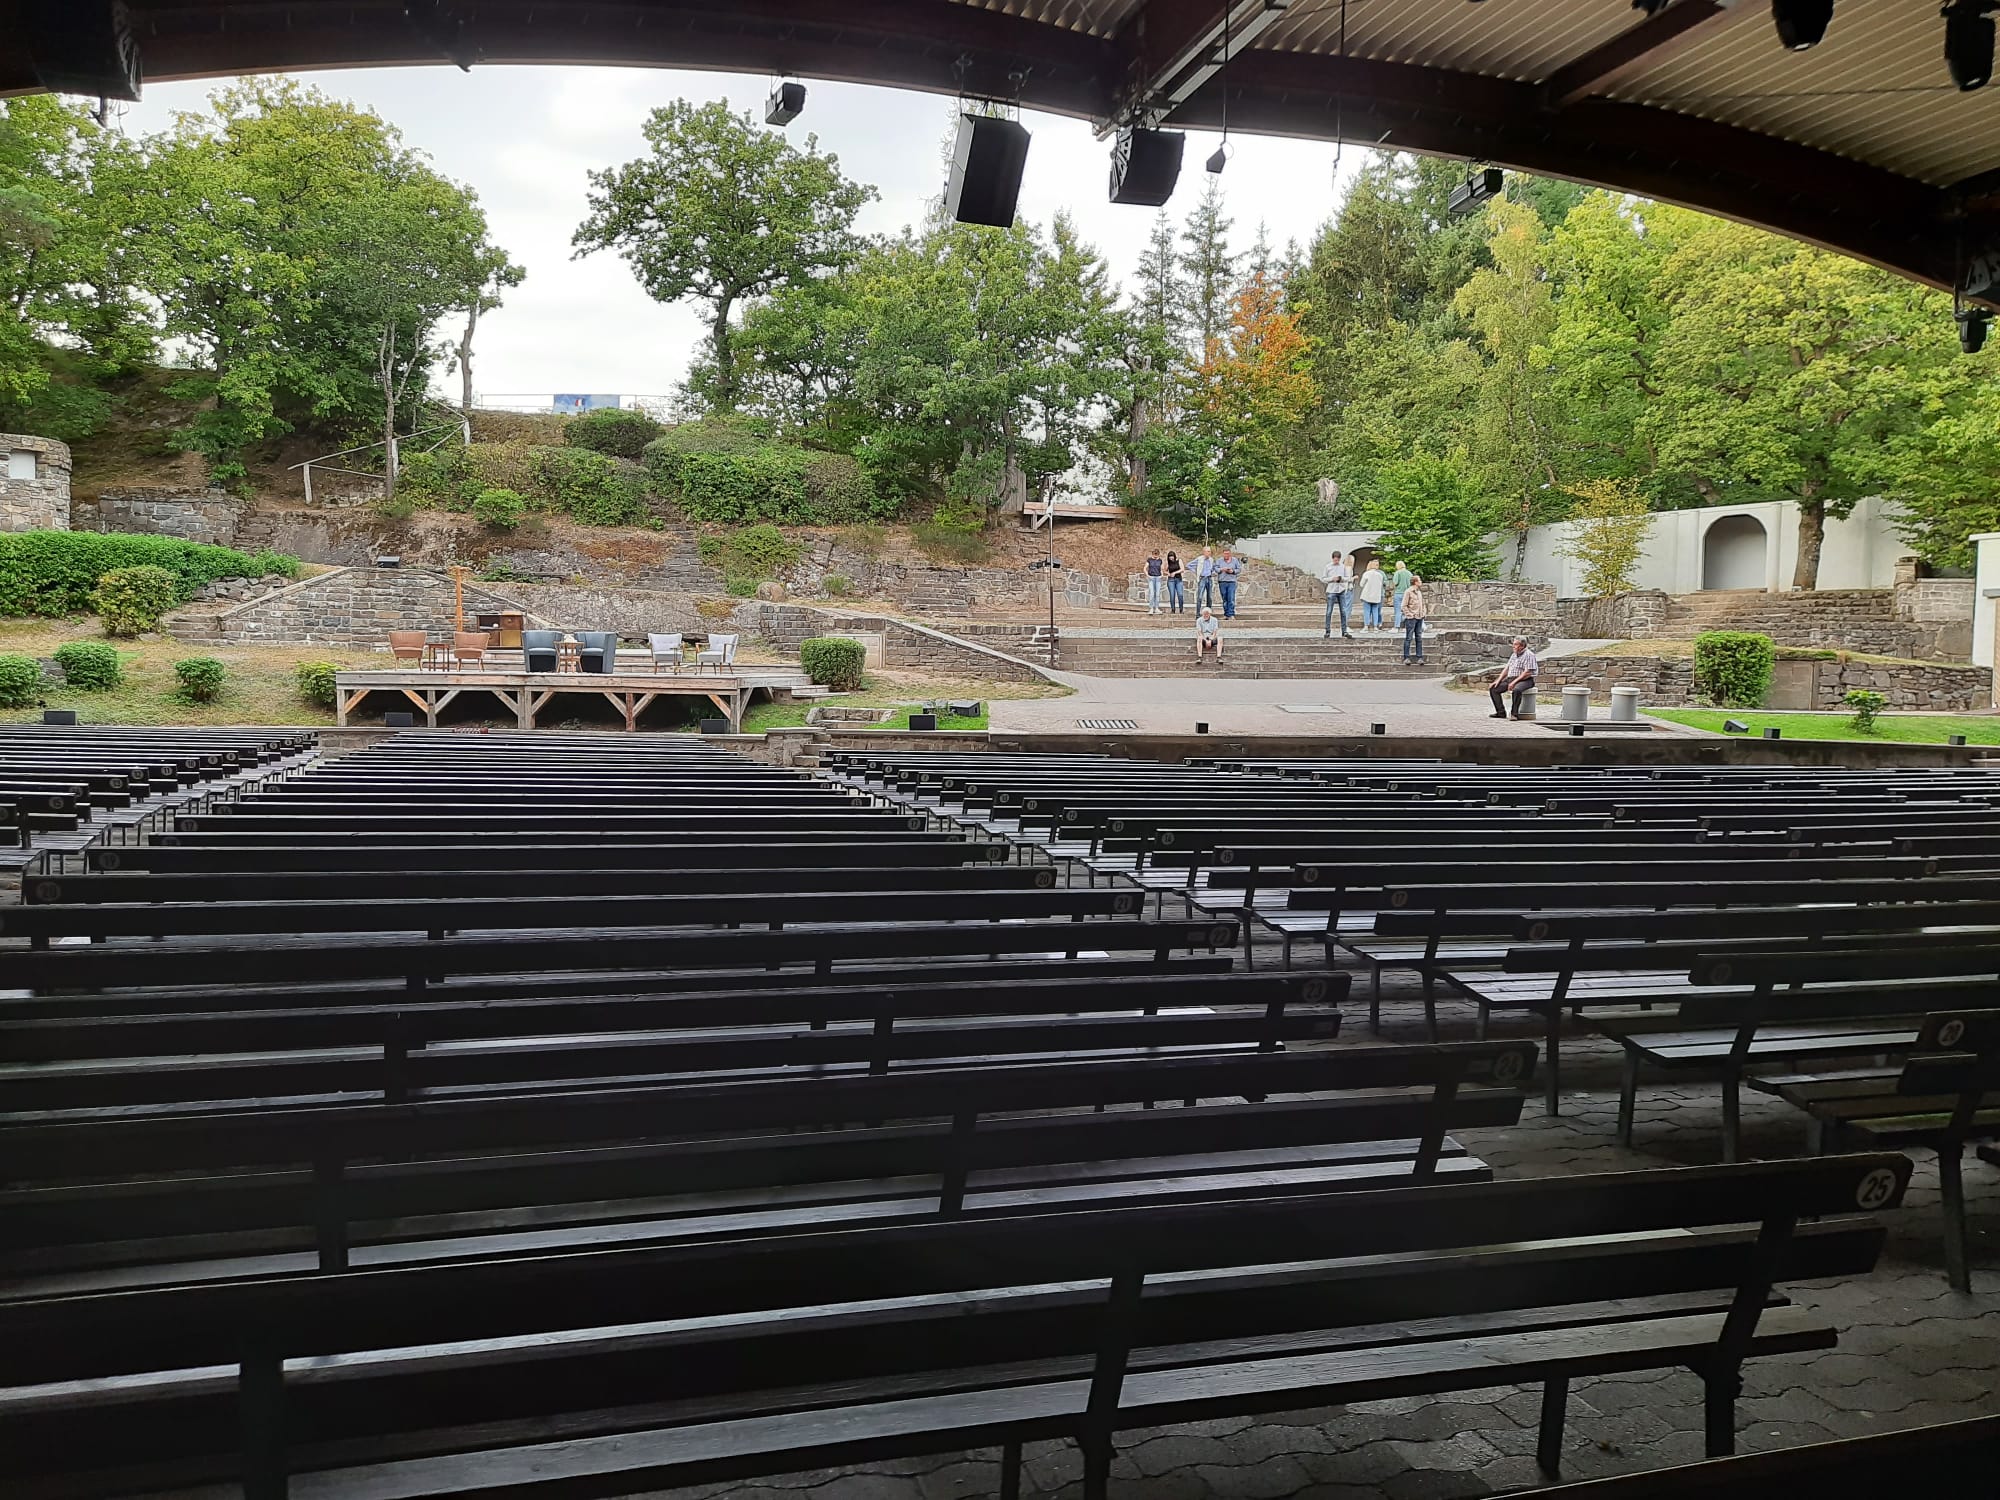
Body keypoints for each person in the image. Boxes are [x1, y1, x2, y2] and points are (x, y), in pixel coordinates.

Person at [1490, 637, 1538, 719]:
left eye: (1515, 644)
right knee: (1494, 689)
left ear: (1522, 646)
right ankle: (1500, 712)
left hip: (1525, 680)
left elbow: (1527, 672)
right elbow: (1507, 669)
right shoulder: (1514, 655)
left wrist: (1514, 682)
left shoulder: (1529, 655)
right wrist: (1498, 680)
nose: (1513, 646)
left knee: (1517, 690)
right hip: (1511, 678)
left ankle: (1514, 714)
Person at [1320, 551, 1353, 639]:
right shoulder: (1328, 567)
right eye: (1335, 560)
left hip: (1341, 590)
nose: (1336, 561)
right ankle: (1327, 631)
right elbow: (1323, 579)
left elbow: (1347, 578)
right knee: (1329, 611)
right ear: (1332, 558)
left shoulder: (1343, 567)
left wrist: (1341, 579)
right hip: (1331, 590)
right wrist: (1332, 579)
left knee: (1343, 611)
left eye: (1338, 560)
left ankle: (1344, 631)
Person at [1400, 574, 1427, 664]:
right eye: (1419, 580)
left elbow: (1422, 604)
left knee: (1419, 637)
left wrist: (1423, 613)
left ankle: (1419, 657)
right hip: (1411, 618)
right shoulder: (1408, 592)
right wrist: (1409, 615)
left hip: (1419, 617)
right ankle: (1406, 657)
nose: (1421, 582)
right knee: (1409, 637)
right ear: (1415, 582)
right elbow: (1403, 605)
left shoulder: (1419, 592)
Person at [1358, 557, 1388, 631]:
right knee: (1375, 611)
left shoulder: (1366, 573)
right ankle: (1375, 626)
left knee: (1367, 611)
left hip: (1367, 595)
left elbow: (1361, 584)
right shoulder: (1380, 575)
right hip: (1376, 595)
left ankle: (1366, 626)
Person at [1216, 547, 1242, 619]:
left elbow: (1239, 569)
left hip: (1231, 582)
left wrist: (1233, 571)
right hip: (1222, 582)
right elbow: (1215, 569)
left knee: (1231, 598)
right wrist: (1222, 569)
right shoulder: (1219, 561)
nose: (1226, 555)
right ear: (1223, 554)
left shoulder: (1235, 560)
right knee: (1224, 599)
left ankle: (1231, 614)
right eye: (1225, 554)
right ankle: (1226, 614)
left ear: (1230, 553)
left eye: (1227, 554)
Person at [1390, 559, 1413, 627]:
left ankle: (1397, 626)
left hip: (1399, 593)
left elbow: (1395, 582)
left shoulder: (1397, 573)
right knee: (1407, 610)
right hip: (1407, 594)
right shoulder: (1409, 573)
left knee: (1398, 611)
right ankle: (1408, 625)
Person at [1194, 545, 1217, 610]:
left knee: (1209, 597)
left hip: (1209, 578)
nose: (1209, 553)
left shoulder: (1211, 559)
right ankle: (1198, 613)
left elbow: (1213, 568)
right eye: (1208, 551)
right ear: (1204, 552)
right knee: (1200, 596)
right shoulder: (1199, 559)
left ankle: (1208, 611)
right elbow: (1189, 565)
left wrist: (1212, 572)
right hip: (1202, 578)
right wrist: (1197, 572)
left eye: (1210, 551)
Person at [1164, 549, 1185, 614]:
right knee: (1172, 595)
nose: (1171, 558)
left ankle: (1181, 609)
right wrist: (1168, 573)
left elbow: (1182, 569)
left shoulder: (1179, 561)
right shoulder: (1168, 563)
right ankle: (1173, 609)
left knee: (1180, 595)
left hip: (1178, 579)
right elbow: (1164, 570)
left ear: (1174, 556)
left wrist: (1175, 573)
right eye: (1170, 557)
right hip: (1171, 580)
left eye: (1172, 556)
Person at [1144, 548, 1163, 615]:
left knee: (1157, 594)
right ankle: (1151, 608)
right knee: (1152, 593)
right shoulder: (1149, 560)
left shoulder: (1160, 560)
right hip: (1151, 577)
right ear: (1152, 554)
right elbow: (1145, 568)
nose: (1155, 555)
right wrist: (1147, 575)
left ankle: (1156, 608)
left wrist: (1162, 575)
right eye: (1154, 554)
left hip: (1158, 578)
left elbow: (1161, 569)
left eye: (1157, 554)